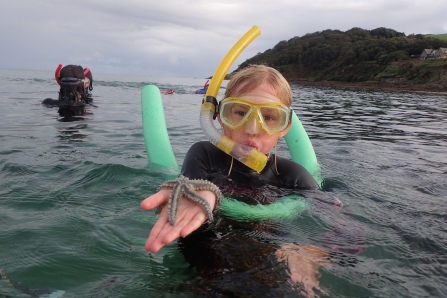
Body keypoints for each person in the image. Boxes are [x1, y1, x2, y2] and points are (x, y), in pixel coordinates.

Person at [141, 65, 331, 296]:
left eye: (269, 117)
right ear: (221, 117)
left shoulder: (291, 174)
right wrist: (205, 191)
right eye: (240, 113)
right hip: (207, 263)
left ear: (285, 127)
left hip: (270, 259)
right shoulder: (204, 155)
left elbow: (339, 222)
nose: (251, 129)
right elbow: (189, 184)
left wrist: (312, 252)